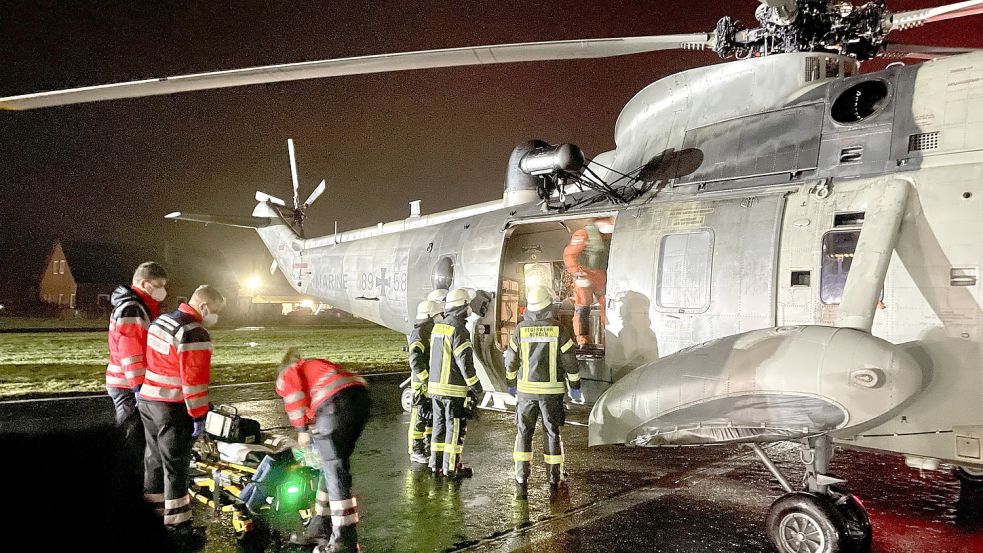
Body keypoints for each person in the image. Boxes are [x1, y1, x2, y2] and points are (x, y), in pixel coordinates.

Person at [138, 285, 224, 539]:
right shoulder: (194, 332)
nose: (216, 317)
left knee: (153, 461)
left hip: (149, 400)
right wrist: (199, 415)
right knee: (176, 466)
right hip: (172, 407)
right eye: (216, 311)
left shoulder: (162, 320)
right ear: (205, 306)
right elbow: (194, 380)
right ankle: (179, 526)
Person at [276, 349, 370, 553]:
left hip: (334, 405)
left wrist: (301, 430)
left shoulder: (288, 372)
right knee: (331, 467)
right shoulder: (314, 365)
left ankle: (343, 541)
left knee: (335, 471)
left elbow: (293, 398)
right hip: (358, 399)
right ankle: (320, 526)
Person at [504, 286, 582, 497]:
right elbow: (570, 363)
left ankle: (521, 477)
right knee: (552, 433)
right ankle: (554, 477)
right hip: (551, 394)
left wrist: (510, 383)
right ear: (549, 305)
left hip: (526, 394)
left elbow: (511, 361)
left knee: (524, 434)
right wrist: (574, 386)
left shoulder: (520, 329)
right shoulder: (559, 330)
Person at [106, 261, 168, 474]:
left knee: (135, 435)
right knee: (131, 435)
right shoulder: (132, 308)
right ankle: (126, 478)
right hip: (128, 384)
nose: (163, 290)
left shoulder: (138, 306)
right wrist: (139, 389)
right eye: (158, 285)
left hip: (128, 382)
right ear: (143, 283)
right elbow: (131, 352)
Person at [428, 288, 483, 478]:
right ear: (462, 307)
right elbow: (464, 362)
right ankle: (451, 468)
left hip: (435, 389)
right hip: (452, 390)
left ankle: (435, 465)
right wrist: (475, 386)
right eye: (468, 304)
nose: (470, 308)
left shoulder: (439, 326)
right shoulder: (459, 330)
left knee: (439, 426)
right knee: (454, 429)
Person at [563, 217, 615, 346]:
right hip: (584, 274)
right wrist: (577, 273)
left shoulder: (610, 236)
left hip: (601, 275)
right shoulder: (583, 234)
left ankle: (608, 338)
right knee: (582, 306)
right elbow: (570, 254)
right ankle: (583, 340)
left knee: (607, 305)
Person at [407, 300, 440, 464]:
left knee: (427, 418)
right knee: (419, 419)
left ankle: (425, 447)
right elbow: (415, 360)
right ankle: (415, 449)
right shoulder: (419, 333)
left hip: (427, 384)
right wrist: (425, 379)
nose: (439, 317)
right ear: (429, 316)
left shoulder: (427, 331)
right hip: (421, 385)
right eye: (436, 315)